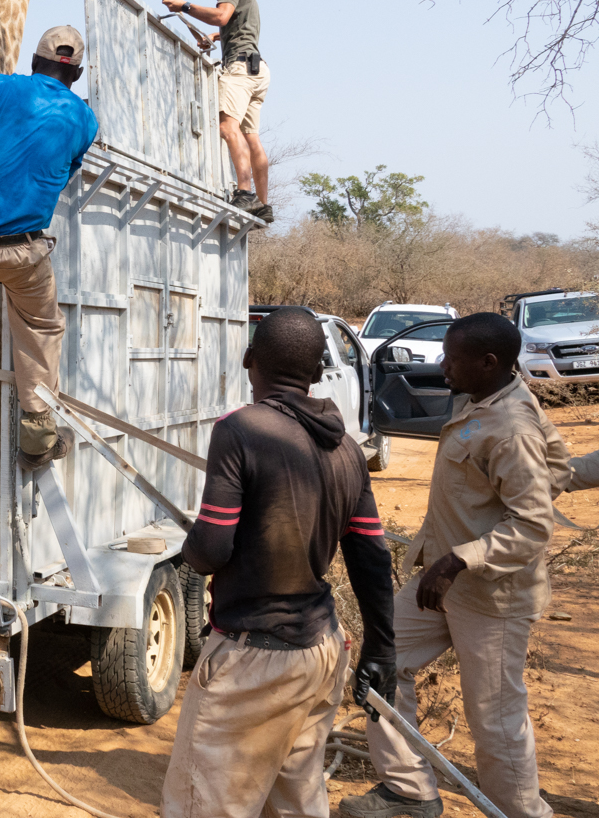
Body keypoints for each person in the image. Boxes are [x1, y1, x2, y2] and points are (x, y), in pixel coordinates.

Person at [162, 307, 395, 818]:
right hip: (322, 652)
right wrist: (382, 649)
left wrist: (190, 546)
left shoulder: (240, 430)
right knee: (294, 801)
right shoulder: (349, 451)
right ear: (316, 374)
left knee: (204, 806)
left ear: (249, 360)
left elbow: (211, 551)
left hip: (254, 661)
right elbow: (372, 558)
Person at [340, 312, 566, 818]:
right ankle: (409, 791)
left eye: (452, 356)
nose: (442, 365)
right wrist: (441, 565)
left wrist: (460, 560)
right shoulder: (476, 399)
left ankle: (519, 813)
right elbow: (563, 466)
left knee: (495, 718)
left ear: (488, 363)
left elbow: (532, 524)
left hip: (492, 595)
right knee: (382, 663)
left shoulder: (513, 427)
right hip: (441, 583)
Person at [0, 25, 99, 467]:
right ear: (77, 74)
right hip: (18, 256)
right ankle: (37, 441)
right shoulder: (84, 119)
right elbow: (64, 174)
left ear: (32, 62)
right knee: (42, 329)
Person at [162, 0, 273, 224]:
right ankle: (263, 203)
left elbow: (223, 15)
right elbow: (235, 24)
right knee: (252, 137)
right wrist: (215, 36)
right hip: (257, 70)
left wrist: (185, 7)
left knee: (227, 126)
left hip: (239, 69)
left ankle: (245, 194)